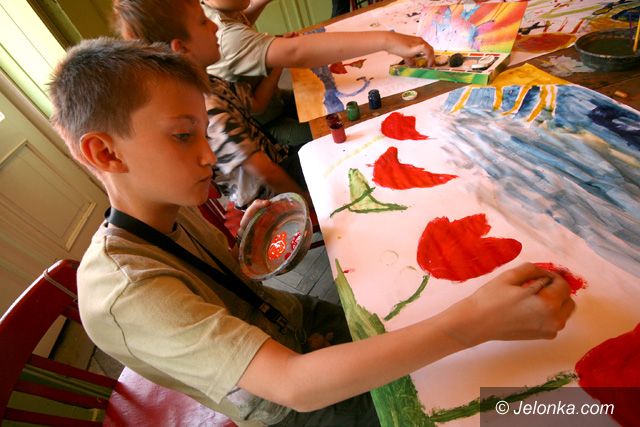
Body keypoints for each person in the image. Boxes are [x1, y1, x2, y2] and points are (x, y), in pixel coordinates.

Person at [50, 36, 575, 427]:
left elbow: (226, 290)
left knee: (438, 326)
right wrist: (472, 325)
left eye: (203, 133)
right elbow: (293, 387)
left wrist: (248, 245)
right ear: (105, 152)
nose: (209, 155)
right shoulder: (127, 293)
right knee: (510, 404)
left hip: (295, 323)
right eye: (184, 136)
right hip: (291, 407)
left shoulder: (166, 201)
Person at [114, 0, 308, 209]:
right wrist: (306, 201)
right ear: (182, 48)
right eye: (203, 22)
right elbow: (265, 172)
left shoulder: (210, 82)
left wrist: (278, 65)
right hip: (270, 196)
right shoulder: (207, 111)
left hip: (277, 158)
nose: (215, 26)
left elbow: (256, 105)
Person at [200, 0, 435, 147]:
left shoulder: (209, 10)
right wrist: (387, 40)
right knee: (350, 134)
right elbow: (296, 53)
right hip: (265, 129)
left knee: (323, 104)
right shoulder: (225, 36)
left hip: (273, 101)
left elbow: (238, 22)